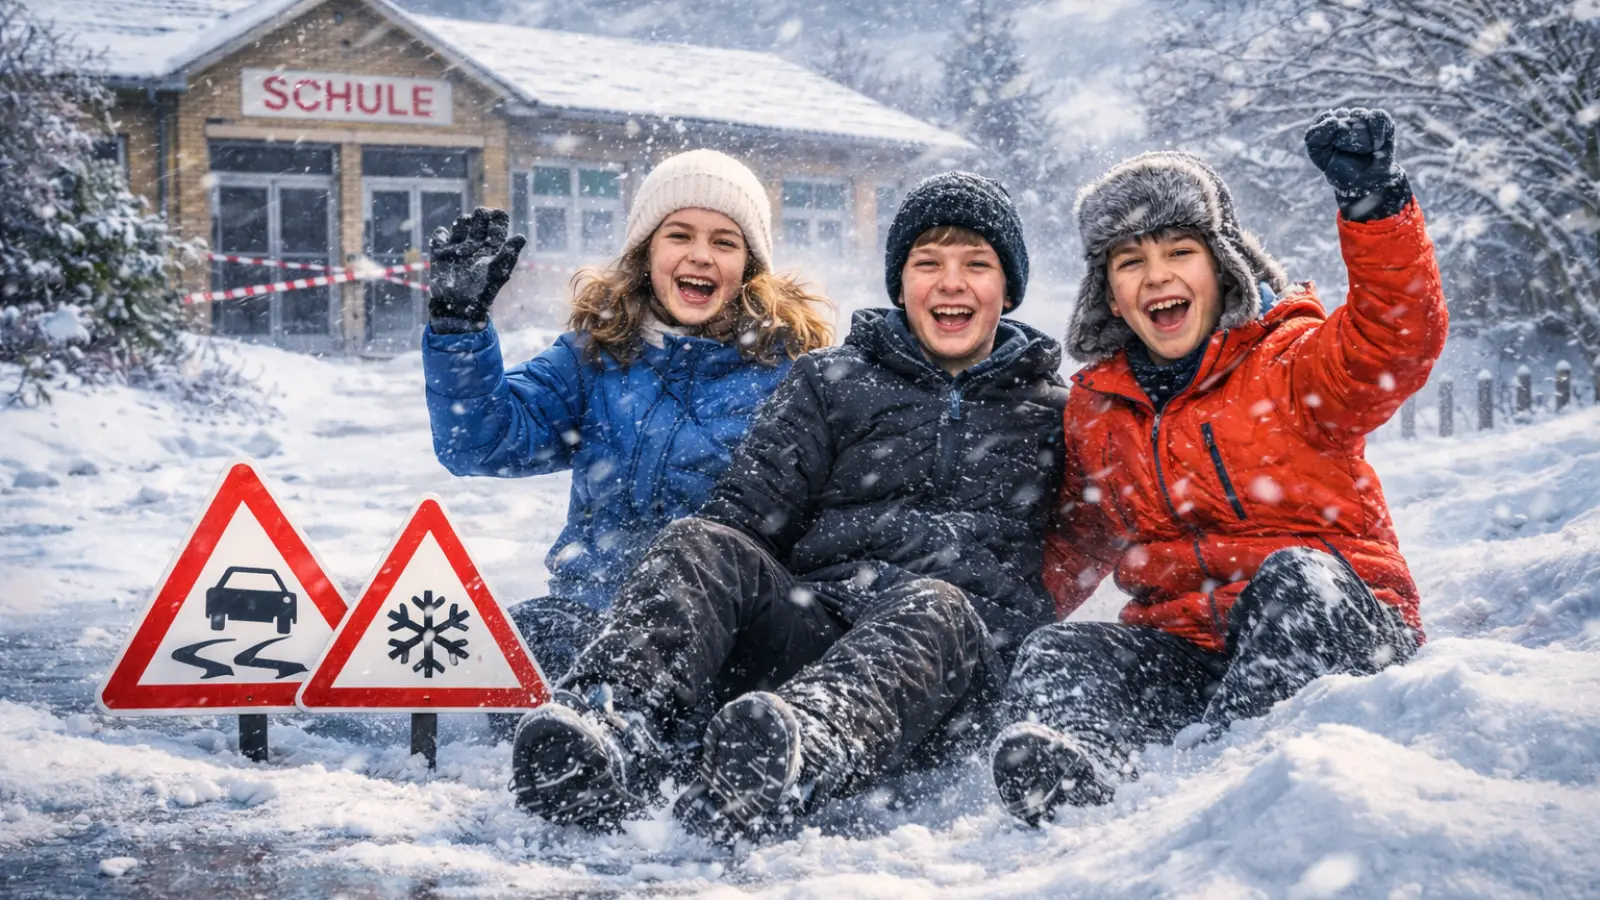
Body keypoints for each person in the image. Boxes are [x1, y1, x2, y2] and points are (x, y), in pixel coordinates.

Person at [508, 172, 1067, 841]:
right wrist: (698, 600)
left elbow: (1129, 525)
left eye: (977, 265)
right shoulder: (832, 383)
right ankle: (608, 728)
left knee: (934, 603)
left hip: (949, 673)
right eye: (928, 264)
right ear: (900, 284)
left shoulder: (1055, 415)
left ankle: (785, 761)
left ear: (1007, 290)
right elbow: (746, 516)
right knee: (703, 542)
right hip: (819, 633)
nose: (951, 283)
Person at [990, 108, 1448, 826]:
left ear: (1222, 267)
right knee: (1063, 651)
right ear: (1109, 294)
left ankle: (1229, 784)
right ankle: (1066, 771)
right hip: (1189, 653)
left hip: (1343, 629)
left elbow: (1396, 338)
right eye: (1130, 261)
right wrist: (997, 628)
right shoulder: (1098, 407)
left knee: (1297, 580)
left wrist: (1375, 206)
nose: (1157, 276)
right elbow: (1079, 542)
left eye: (1179, 252)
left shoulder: (1292, 360)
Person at [422, 150, 833, 736]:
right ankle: (582, 752)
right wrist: (457, 326)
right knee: (525, 638)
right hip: (593, 617)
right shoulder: (594, 358)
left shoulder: (792, 374)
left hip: (723, 635)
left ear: (749, 265)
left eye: (724, 241)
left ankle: (651, 740)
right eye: (679, 235)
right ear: (647, 253)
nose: (700, 255)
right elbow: (478, 441)